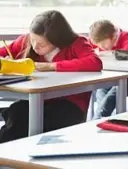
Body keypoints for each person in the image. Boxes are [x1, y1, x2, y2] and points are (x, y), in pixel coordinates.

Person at [0, 10, 102, 142]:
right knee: (18, 112)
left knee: (38, 121)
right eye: (33, 40)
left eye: (42, 44)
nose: (35, 46)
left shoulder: (76, 43)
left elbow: (95, 62)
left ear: (57, 40)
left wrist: (52, 66)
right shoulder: (27, 40)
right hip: (38, 100)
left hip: (69, 104)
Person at [88, 20, 128, 118]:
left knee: (105, 105)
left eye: (103, 45)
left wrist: (105, 53)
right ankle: (102, 126)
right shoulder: (100, 38)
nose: (101, 47)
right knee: (102, 104)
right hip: (108, 77)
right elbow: (90, 53)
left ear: (113, 36)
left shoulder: (127, 36)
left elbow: (127, 53)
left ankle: (94, 127)